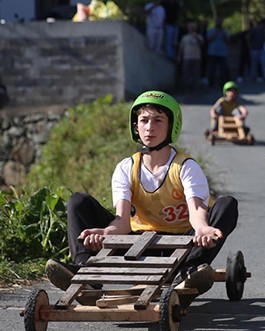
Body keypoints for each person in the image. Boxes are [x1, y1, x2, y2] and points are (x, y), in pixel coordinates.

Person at [45, 91, 239, 307]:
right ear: (135, 126)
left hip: (182, 246)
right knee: (78, 201)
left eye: (158, 120)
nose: (150, 127)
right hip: (137, 245)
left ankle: (189, 272)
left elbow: (196, 210)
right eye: (144, 120)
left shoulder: (185, 167)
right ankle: (85, 272)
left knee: (227, 204)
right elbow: (122, 221)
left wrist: (202, 229)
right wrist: (105, 233)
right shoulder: (126, 168)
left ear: (171, 126)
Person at [178, 21, 204, 92]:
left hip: (196, 58)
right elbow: (181, 47)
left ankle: (195, 89)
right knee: (186, 74)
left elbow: (202, 44)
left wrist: (195, 36)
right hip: (187, 58)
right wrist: (179, 56)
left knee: (196, 74)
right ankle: (186, 89)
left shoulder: (199, 36)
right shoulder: (185, 37)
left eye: (193, 27)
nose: (191, 28)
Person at [206, 17, 230, 88]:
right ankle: (211, 84)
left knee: (223, 70)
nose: (219, 23)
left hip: (222, 53)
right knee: (212, 69)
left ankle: (222, 84)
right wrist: (216, 34)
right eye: (217, 22)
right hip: (213, 52)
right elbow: (208, 39)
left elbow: (228, 40)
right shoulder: (211, 31)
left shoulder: (225, 31)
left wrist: (223, 34)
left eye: (220, 21)